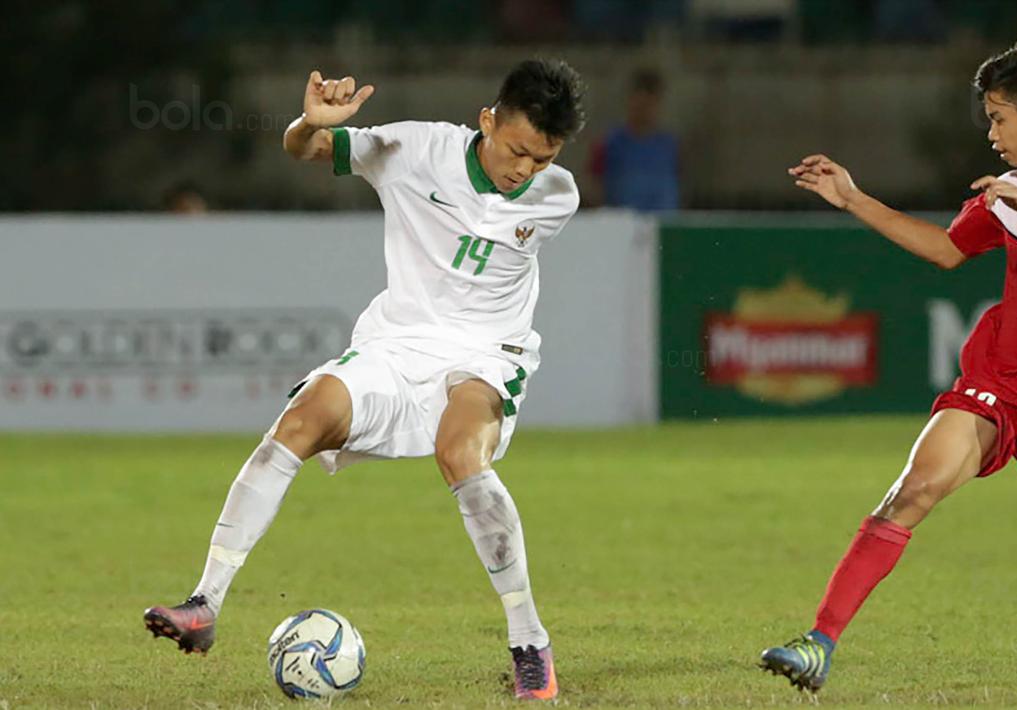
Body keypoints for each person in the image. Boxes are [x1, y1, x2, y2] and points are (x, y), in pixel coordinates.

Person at [143, 59, 586, 701]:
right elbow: (307, 148)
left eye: (543, 158)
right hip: (396, 343)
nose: (526, 169)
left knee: (460, 454)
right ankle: (204, 604)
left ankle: (529, 643)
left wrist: (538, 171)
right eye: (517, 150)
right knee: (301, 419)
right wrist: (308, 124)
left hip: (488, 354)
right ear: (487, 121)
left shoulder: (558, 195)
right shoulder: (416, 149)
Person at [759, 37, 1017, 692]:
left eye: (998, 119)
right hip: (998, 380)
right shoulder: (1006, 193)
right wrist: (854, 199)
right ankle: (818, 643)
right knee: (913, 489)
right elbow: (946, 249)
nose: (991, 135)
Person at [588, 68, 679, 211]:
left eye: (649, 105)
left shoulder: (670, 147)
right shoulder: (609, 144)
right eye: (640, 105)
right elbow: (595, 188)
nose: (644, 111)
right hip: (622, 221)